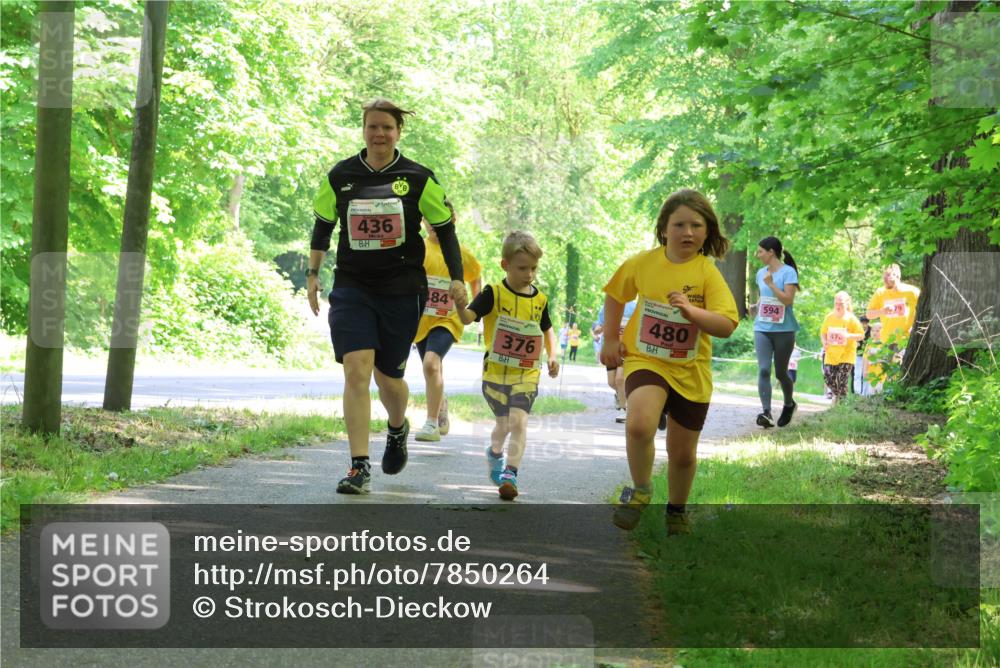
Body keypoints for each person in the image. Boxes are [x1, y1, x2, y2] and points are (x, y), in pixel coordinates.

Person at [307, 98, 468, 495]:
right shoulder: (341, 175)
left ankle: (398, 427)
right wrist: (312, 274)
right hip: (352, 286)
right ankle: (358, 466)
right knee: (357, 370)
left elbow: (445, 229)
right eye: (372, 127)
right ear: (363, 130)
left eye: (387, 128)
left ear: (399, 132)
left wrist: (457, 279)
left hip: (401, 289)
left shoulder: (418, 177)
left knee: (388, 377)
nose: (379, 134)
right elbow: (323, 226)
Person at [601, 189, 738, 534]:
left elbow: (726, 325)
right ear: (664, 228)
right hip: (647, 359)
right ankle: (641, 490)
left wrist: (692, 311)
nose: (687, 232)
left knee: (682, 455)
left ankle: (676, 511)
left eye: (696, 225)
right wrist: (611, 339)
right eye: (679, 224)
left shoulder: (707, 273)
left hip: (691, 370)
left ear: (707, 232)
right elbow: (616, 293)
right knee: (639, 424)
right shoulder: (643, 263)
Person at [457, 231, 559, 501]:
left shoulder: (540, 300)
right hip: (495, 374)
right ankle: (494, 453)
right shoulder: (494, 292)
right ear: (505, 265)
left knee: (519, 420)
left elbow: (547, 330)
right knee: (503, 424)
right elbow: (468, 317)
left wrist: (553, 355)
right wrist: (459, 305)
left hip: (526, 373)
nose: (529, 274)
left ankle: (511, 473)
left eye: (533, 268)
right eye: (522, 268)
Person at [413, 210, 482, 442]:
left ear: (452, 221)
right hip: (421, 320)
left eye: (440, 219)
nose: (433, 224)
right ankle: (440, 403)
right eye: (429, 219)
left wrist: (475, 306)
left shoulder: (458, 252)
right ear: (422, 221)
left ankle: (431, 424)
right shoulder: (418, 248)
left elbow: (475, 275)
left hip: (448, 318)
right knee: (431, 367)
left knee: (432, 363)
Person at [752, 236, 800, 429]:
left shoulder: (788, 273)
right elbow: (765, 297)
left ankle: (789, 404)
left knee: (781, 372)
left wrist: (772, 284)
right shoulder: (760, 273)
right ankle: (766, 412)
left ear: (771, 252)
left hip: (784, 330)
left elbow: (788, 300)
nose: (758, 255)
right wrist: (757, 305)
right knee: (764, 369)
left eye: (761, 251)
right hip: (762, 328)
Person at [819, 292, 865, 405]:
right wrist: (824, 342)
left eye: (841, 303)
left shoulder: (852, 319)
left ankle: (842, 405)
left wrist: (848, 336)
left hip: (847, 354)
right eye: (836, 303)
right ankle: (838, 396)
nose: (838, 306)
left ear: (847, 303)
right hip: (831, 354)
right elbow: (823, 333)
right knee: (828, 377)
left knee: (842, 380)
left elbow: (861, 335)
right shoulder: (829, 317)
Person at [866, 263, 920, 348]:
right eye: (884, 278)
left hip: (907, 339)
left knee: (901, 360)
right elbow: (869, 314)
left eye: (888, 276)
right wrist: (882, 311)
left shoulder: (913, 292)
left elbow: (925, 312)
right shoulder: (880, 292)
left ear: (897, 276)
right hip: (887, 340)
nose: (885, 280)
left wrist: (915, 327)